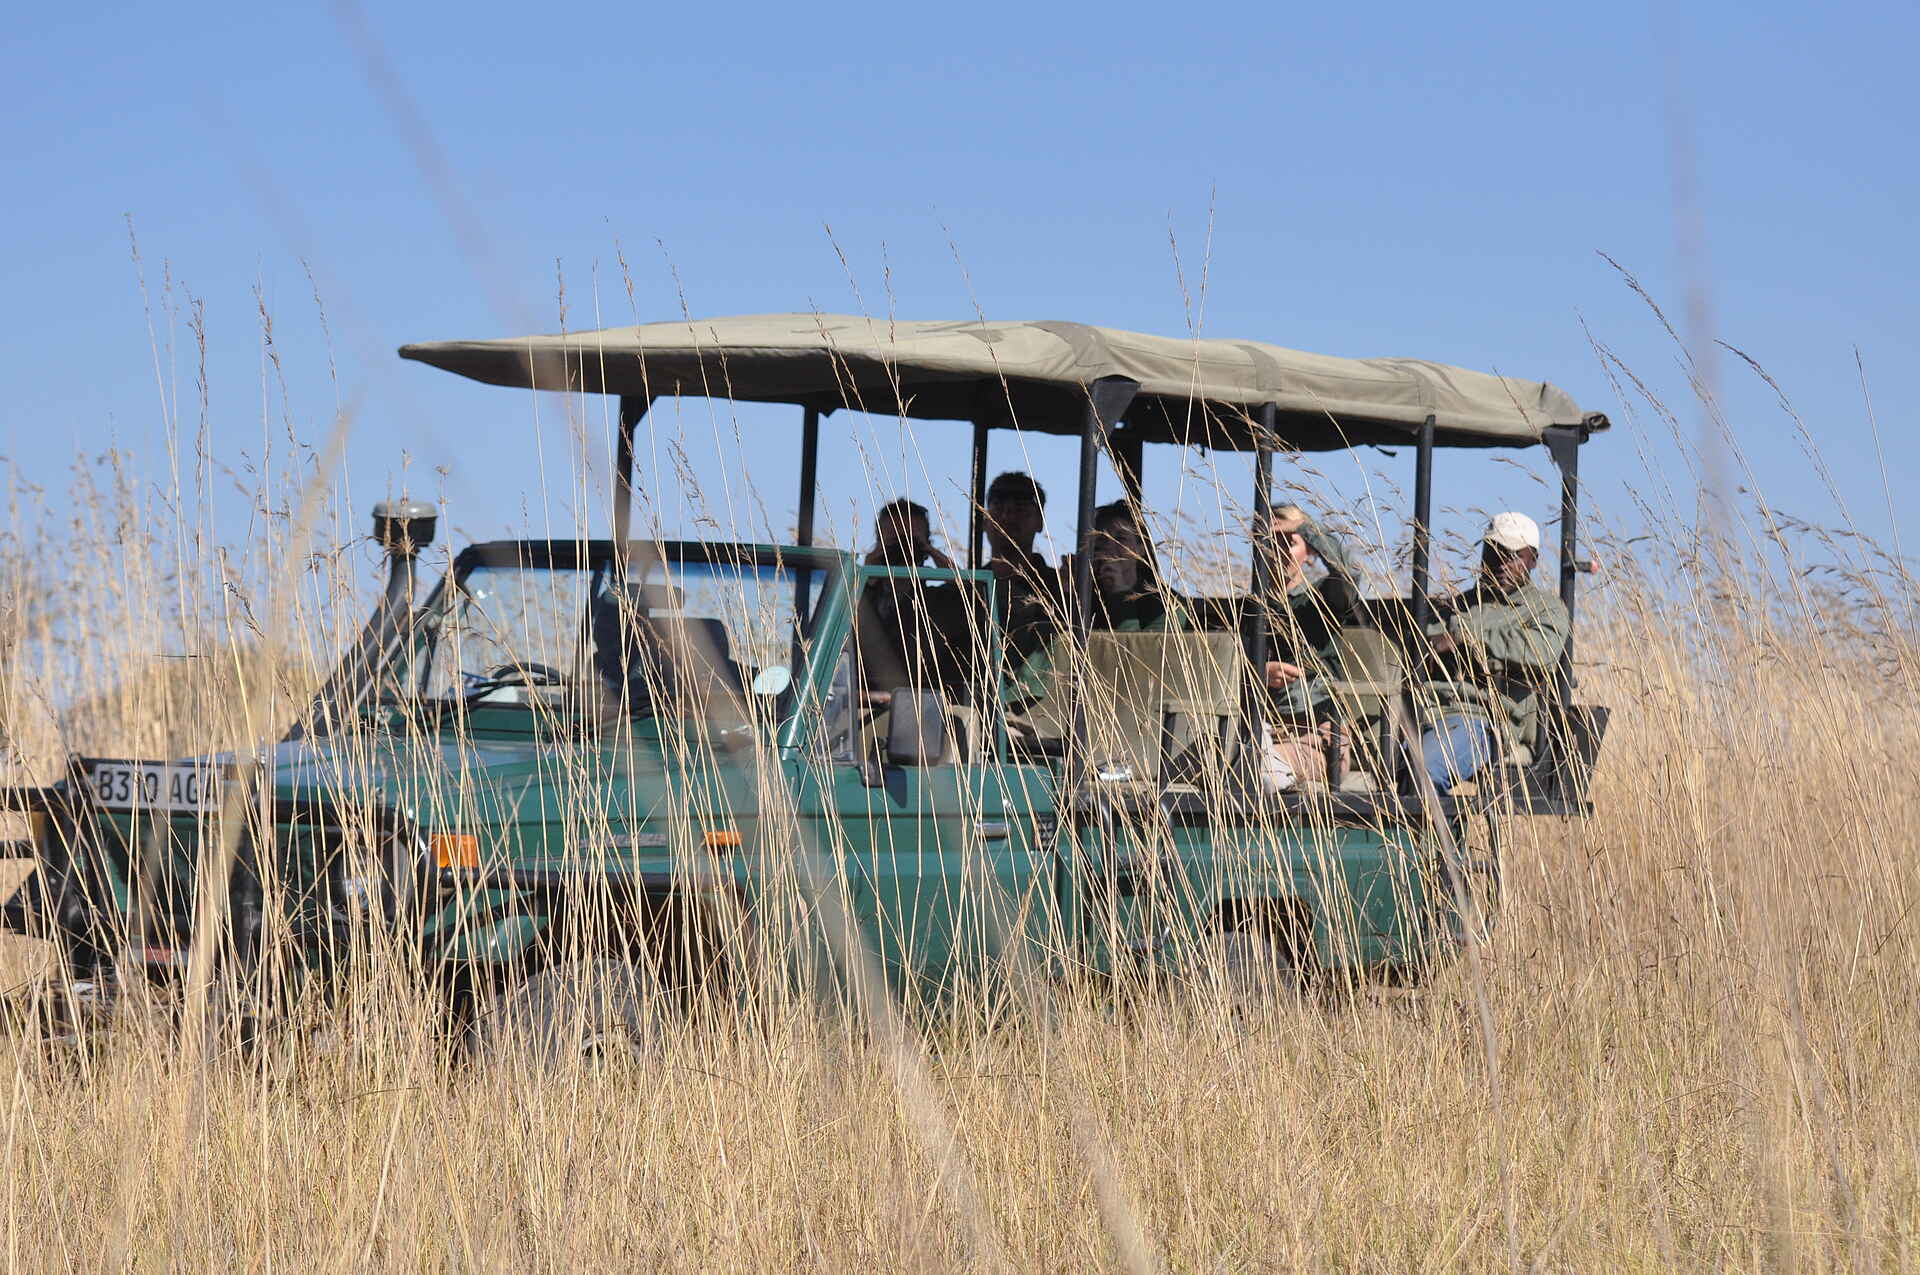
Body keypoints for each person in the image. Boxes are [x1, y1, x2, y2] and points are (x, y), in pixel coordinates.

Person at [1414, 511, 1569, 793]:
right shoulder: (1457, 605)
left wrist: (1463, 640)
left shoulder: (1546, 609)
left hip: (1486, 719)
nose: (1500, 564)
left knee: (1424, 769)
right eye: (1494, 552)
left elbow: (1539, 652)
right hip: (1426, 708)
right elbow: (1424, 648)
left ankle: (1431, 837)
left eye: (1512, 555)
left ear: (1532, 559)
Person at [1251, 504, 1361, 788]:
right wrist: (1257, 672)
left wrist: (1307, 528)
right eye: (1272, 542)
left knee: (1258, 766)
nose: (1281, 551)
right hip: (1254, 730)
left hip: (1316, 736)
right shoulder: (1248, 610)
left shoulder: (1324, 600)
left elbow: (1349, 573)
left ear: (1308, 551)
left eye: (1291, 542)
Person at [854, 498, 958, 695]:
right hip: (864, 702)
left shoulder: (940, 601)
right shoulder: (859, 598)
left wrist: (935, 556)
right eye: (894, 541)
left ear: (927, 546)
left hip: (923, 704)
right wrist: (866, 577)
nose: (902, 549)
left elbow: (972, 597)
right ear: (879, 543)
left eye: (911, 541)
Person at [980, 471, 1063, 662]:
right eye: (998, 508)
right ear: (984, 521)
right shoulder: (966, 588)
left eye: (1020, 509)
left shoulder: (1059, 591)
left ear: (1039, 522)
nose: (1007, 517)